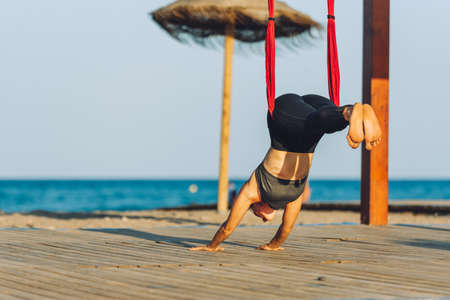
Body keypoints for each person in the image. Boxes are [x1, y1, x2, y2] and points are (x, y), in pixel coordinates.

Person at [190, 94, 382, 252]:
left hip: (283, 117)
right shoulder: (293, 197)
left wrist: (212, 246)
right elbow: (286, 228)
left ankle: (351, 112)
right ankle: (351, 113)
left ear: (257, 205)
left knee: (315, 122)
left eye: (256, 214)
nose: (263, 218)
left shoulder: (254, 189)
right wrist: (273, 245)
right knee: (323, 122)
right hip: (311, 121)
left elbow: (228, 226)